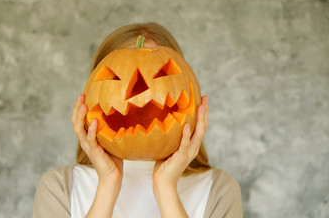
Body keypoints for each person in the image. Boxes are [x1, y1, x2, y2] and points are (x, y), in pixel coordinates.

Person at [32, 22, 243, 218]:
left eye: (162, 73)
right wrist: (108, 184)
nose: (137, 90)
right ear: (87, 101)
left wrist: (165, 188)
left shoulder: (220, 189)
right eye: (114, 78)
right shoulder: (60, 187)